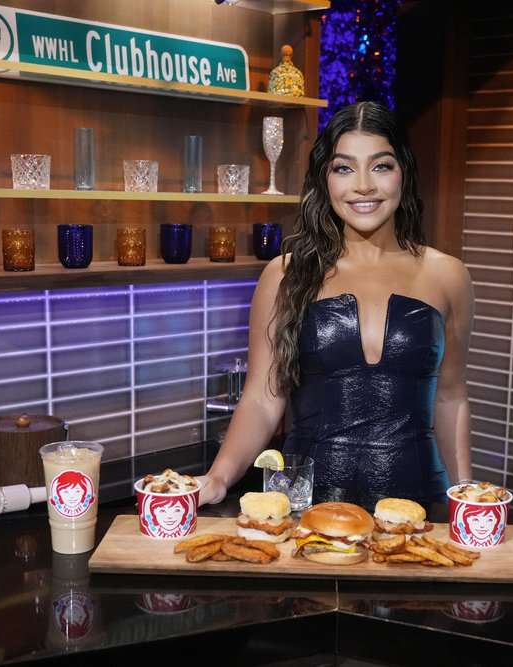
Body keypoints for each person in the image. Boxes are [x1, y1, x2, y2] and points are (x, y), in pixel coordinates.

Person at [197, 101, 474, 510]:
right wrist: (219, 478)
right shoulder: (284, 274)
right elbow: (261, 395)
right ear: (325, 179)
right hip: (302, 510)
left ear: (405, 173)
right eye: (344, 168)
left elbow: (450, 397)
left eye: (381, 166)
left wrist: (466, 494)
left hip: (418, 510)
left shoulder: (448, 276)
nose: (363, 185)